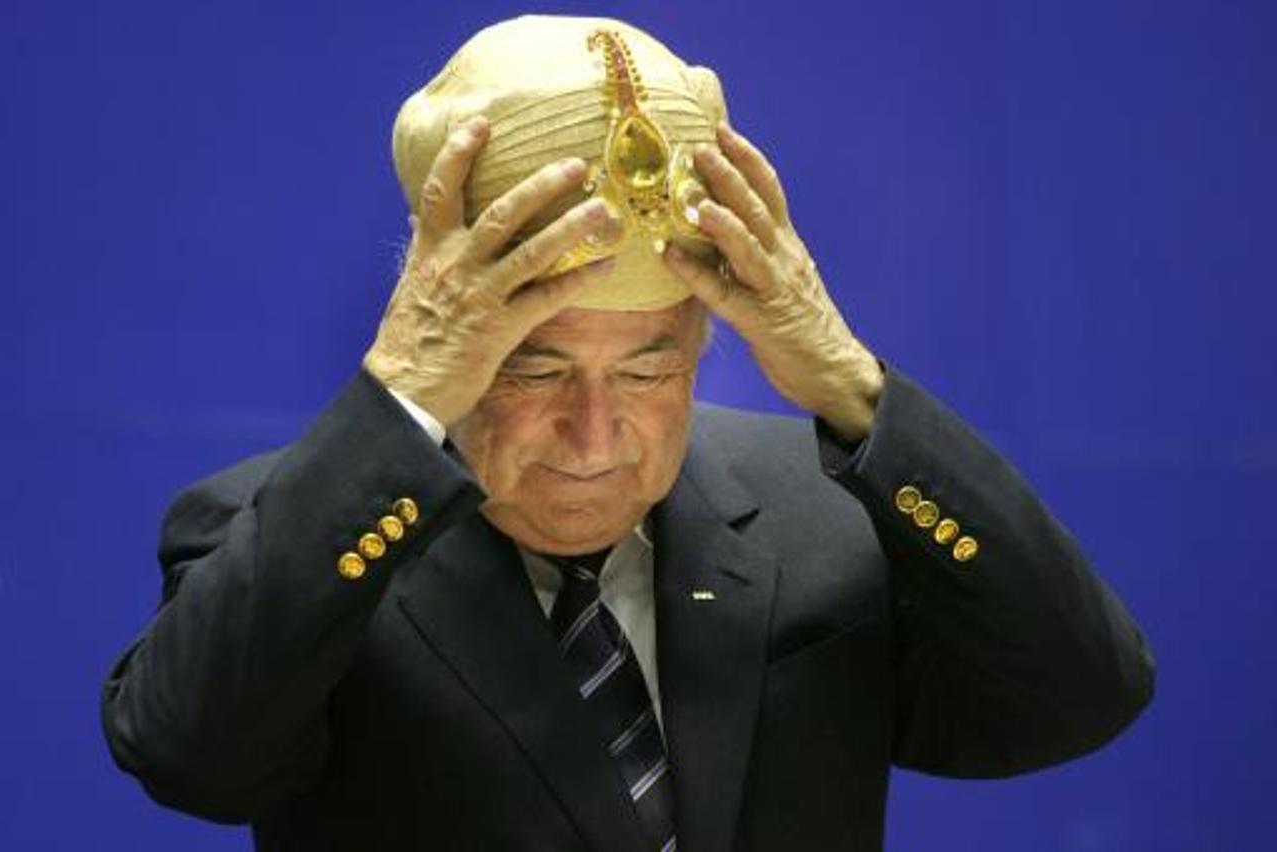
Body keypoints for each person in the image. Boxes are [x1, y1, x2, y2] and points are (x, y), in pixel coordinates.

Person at [102, 15, 1155, 852]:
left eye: (649, 367)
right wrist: (398, 405)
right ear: (444, 345)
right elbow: (191, 758)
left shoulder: (820, 508)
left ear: (704, 346)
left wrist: (847, 384)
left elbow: (1076, 697)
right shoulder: (296, 530)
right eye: (534, 367)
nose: (594, 434)